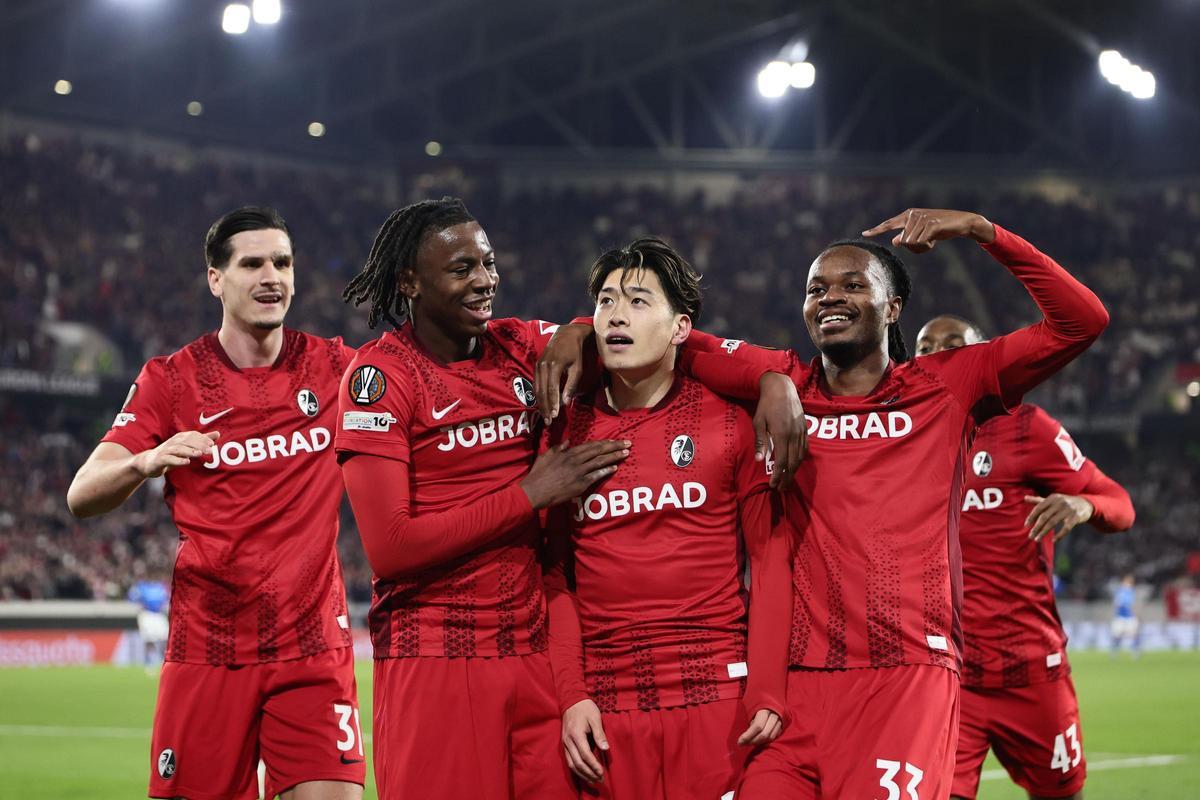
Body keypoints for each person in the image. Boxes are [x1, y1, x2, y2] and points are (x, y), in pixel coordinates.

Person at [656, 208, 1109, 799]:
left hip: (905, 677)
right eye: (816, 288)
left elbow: (1082, 322)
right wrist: (580, 330)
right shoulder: (784, 379)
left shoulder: (948, 385)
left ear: (893, 307)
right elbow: (672, 335)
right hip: (794, 688)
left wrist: (983, 231)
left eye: (852, 285)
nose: (830, 297)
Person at [335, 197, 632, 800]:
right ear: (410, 282)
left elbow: (653, 335)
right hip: (436, 655)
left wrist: (579, 328)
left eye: (489, 263)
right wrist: (530, 494)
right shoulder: (381, 378)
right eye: (462, 268)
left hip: (534, 652)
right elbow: (390, 548)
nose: (485, 280)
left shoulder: (521, 344)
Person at [66, 207, 364, 800]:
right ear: (215, 278)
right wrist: (144, 462)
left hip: (312, 648)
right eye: (251, 263)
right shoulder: (170, 380)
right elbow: (81, 495)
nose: (271, 276)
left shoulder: (337, 368)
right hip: (208, 649)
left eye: (282, 262)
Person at [543, 238, 797, 799]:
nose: (616, 315)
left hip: (719, 702)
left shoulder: (732, 422)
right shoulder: (564, 431)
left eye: (637, 302)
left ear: (681, 328)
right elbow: (554, 575)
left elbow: (770, 560)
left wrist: (767, 689)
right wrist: (571, 695)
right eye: (606, 301)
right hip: (607, 714)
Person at [915, 314, 1136, 800]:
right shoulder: (903, 438)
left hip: (1031, 670)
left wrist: (1085, 504)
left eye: (954, 344)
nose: (939, 354)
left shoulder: (1027, 429)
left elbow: (1120, 505)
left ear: (983, 358)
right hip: (950, 674)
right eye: (926, 347)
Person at [128, 573, 170, 669]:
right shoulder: (142, 586)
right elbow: (131, 597)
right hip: (147, 614)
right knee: (148, 639)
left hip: (159, 615)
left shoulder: (161, 587)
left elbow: (167, 598)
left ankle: (164, 660)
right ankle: (148, 661)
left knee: (165, 638)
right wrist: (140, 604)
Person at [1111, 574, 1140, 657]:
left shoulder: (1132, 592)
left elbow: (1134, 605)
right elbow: (1117, 604)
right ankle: (1115, 652)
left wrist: (1136, 614)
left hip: (1130, 617)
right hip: (1120, 617)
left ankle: (1135, 652)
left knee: (1134, 634)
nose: (1128, 584)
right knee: (1117, 635)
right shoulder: (1120, 592)